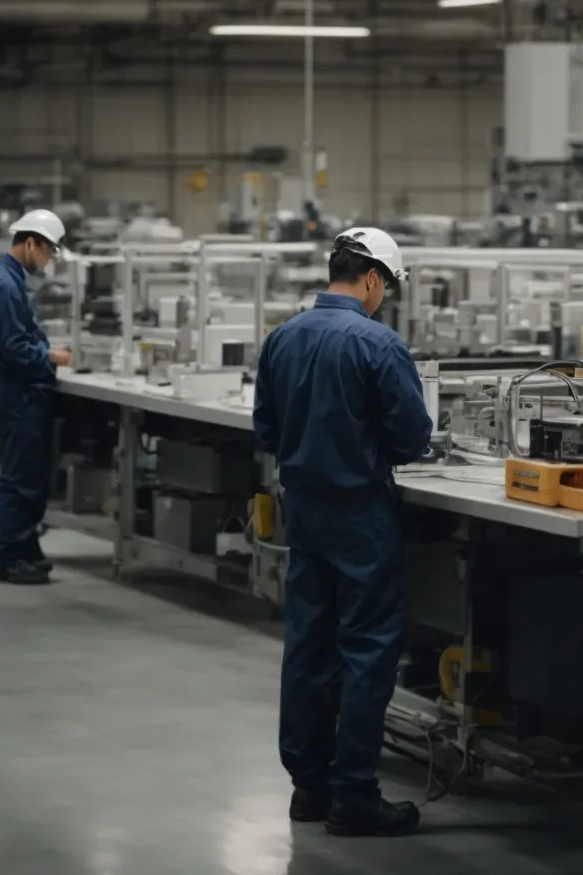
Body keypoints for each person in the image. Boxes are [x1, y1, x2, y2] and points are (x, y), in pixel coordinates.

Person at [254, 228, 433, 836]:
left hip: (304, 509)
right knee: (366, 650)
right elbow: (411, 440)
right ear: (374, 280)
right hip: (361, 516)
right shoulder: (378, 345)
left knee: (309, 645)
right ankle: (354, 794)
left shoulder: (282, 339)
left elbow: (267, 431)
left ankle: (309, 787)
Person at [0, 209, 70, 586]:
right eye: (48, 251)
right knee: (19, 478)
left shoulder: (12, 279)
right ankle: (8, 558)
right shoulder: (5, 285)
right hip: (18, 392)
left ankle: (24, 547)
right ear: (31, 242)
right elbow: (17, 347)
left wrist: (45, 350)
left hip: (23, 391)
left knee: (31, 474)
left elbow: (26, 334)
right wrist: (49, 358)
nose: (48, 259)